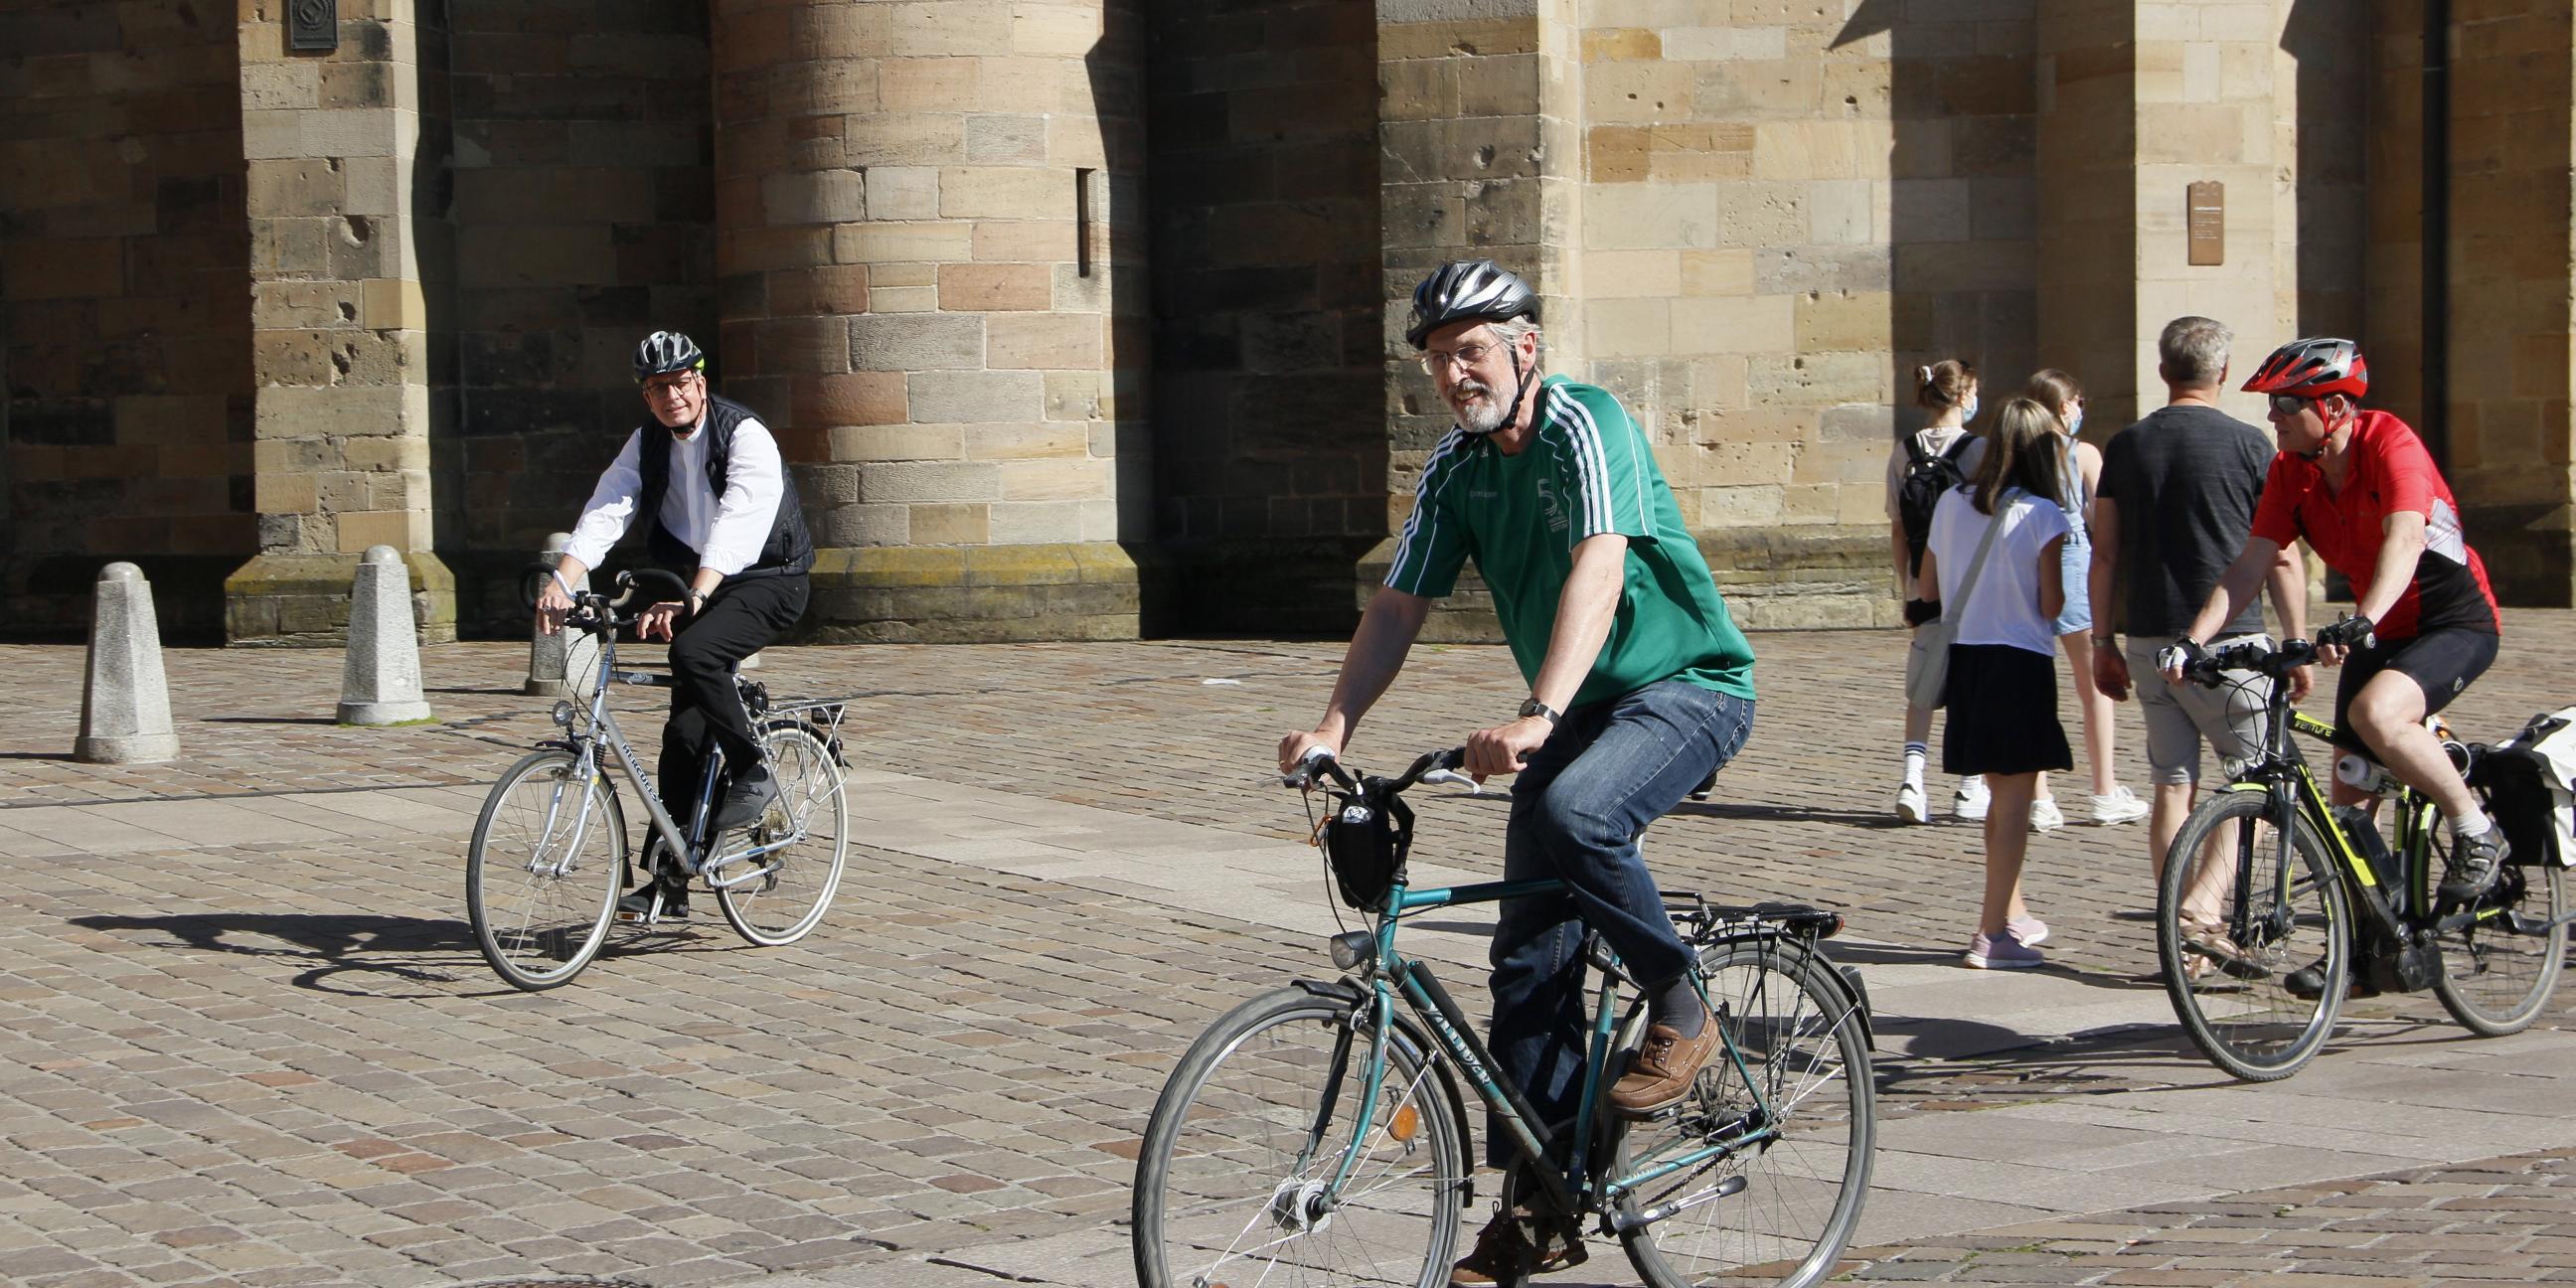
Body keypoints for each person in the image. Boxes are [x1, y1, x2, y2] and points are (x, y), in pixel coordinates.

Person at [1277, 259, 1757, 1287]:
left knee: (1583, 814)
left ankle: (1683, 1002)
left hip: (1687, 689)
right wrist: (1332, 725)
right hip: (1578, 705)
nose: (1455, 373)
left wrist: (1538, 713)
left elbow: (1602, 559)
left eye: (1473, 350)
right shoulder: (1457, 468)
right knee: (1526, 963)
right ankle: (1542, 1205)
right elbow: (1400, 605)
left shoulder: (1588, 424)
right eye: (1439, 357)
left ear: (1525, 348)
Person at [2160, 337, 2506, 907]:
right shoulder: (2290, 471)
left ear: (2336, 408)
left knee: (2376, 714)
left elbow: (2406, 536)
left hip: (2453, 621)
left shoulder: (2391, 443)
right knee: (2349, 804)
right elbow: (2251, 563)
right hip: (2379, 628)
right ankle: (2369, 952)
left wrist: (2363, 618)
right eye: (2273, 403)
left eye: (2287, 404)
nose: (2273, 415)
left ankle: (2475, 830)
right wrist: (2192, 642)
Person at [538, 330, 816, 921]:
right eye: (657, 387)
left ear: (701, 382)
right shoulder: (646, 444)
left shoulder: (744, 434)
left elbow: (741, 520)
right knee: (682, 738)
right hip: (697, 581)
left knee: (692, 655)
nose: (672, 396)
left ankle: (752, 770)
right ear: (646, 396)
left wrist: (695, 595)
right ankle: (670, 881)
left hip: (768, 577)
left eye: (680, 383)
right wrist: (563, 580)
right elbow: (609, 507)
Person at [2087, 319, 2309, 927]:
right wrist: (2294, 640)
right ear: (2225, 374)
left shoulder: (2128, 445)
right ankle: (2200, 910)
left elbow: (2103, 553)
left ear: (2163, 371)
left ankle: (2177, 940)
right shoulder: (2250, 445)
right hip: (2232, 643)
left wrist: (2102, 642)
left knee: (2171, 786)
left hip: (2151, 641)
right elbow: (2282, 554)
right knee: (2265, 788)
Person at [1914, 398, 2074, 969]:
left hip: (1968, 661)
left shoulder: (1952, 504)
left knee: (1999, 799)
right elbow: (2052, 604)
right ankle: (1990, 933)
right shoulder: (2043, 515)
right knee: (2013, 803)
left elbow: (1928, 588)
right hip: (2020, 660)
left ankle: (2011, 912)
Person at [2023, 369, 2149, 830]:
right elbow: (2101, 519)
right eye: (2077, 401)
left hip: (2028, 565)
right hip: (2073, 565)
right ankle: (2103, 789)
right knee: (2092, 683)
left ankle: (2039, 797)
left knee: (2035, 686)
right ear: (2064, 406)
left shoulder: (2020, 455)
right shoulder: (2082, 453)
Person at [1888, 360, 1990, 825]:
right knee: (1974, 681)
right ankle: (1970, 785)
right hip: (1972, 584)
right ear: (1965, 394)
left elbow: (1896, 528)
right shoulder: (1979, 451)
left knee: (1923, 684)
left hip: (1922, 585)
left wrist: (1906, 585)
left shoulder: (1903, 451)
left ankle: (1913, 778)